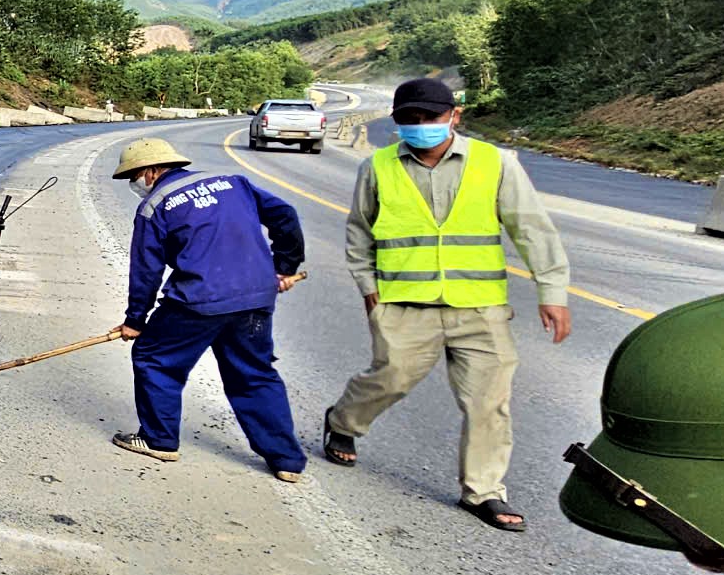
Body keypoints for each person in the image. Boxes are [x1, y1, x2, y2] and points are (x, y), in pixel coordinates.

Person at [322, 76, 570, 532]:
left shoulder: (496, 163)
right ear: (397, 122)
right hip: (403, 302)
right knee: (391, 378)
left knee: (488, 401)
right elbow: (360, 230)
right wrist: (366, 284)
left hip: (480, 308)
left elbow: (532, 227)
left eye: (430, 118)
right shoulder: (377, 167)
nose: (420, 127)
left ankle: (484, 491)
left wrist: (551, 292)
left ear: (454, 116)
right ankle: (343, 421)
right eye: (409, 120)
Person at [109, 136, 309, 481]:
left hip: (198, 301)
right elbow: (285, 216)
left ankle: (158, 439)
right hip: (255, 297)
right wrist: (285, 266)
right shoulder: (232, 183)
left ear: (151, 171)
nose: (135, 184)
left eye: (134, 176)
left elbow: (146, 269)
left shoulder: (154, 205)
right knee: (254, 374)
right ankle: (286, 460)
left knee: (154, 357)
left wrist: (135, 321)